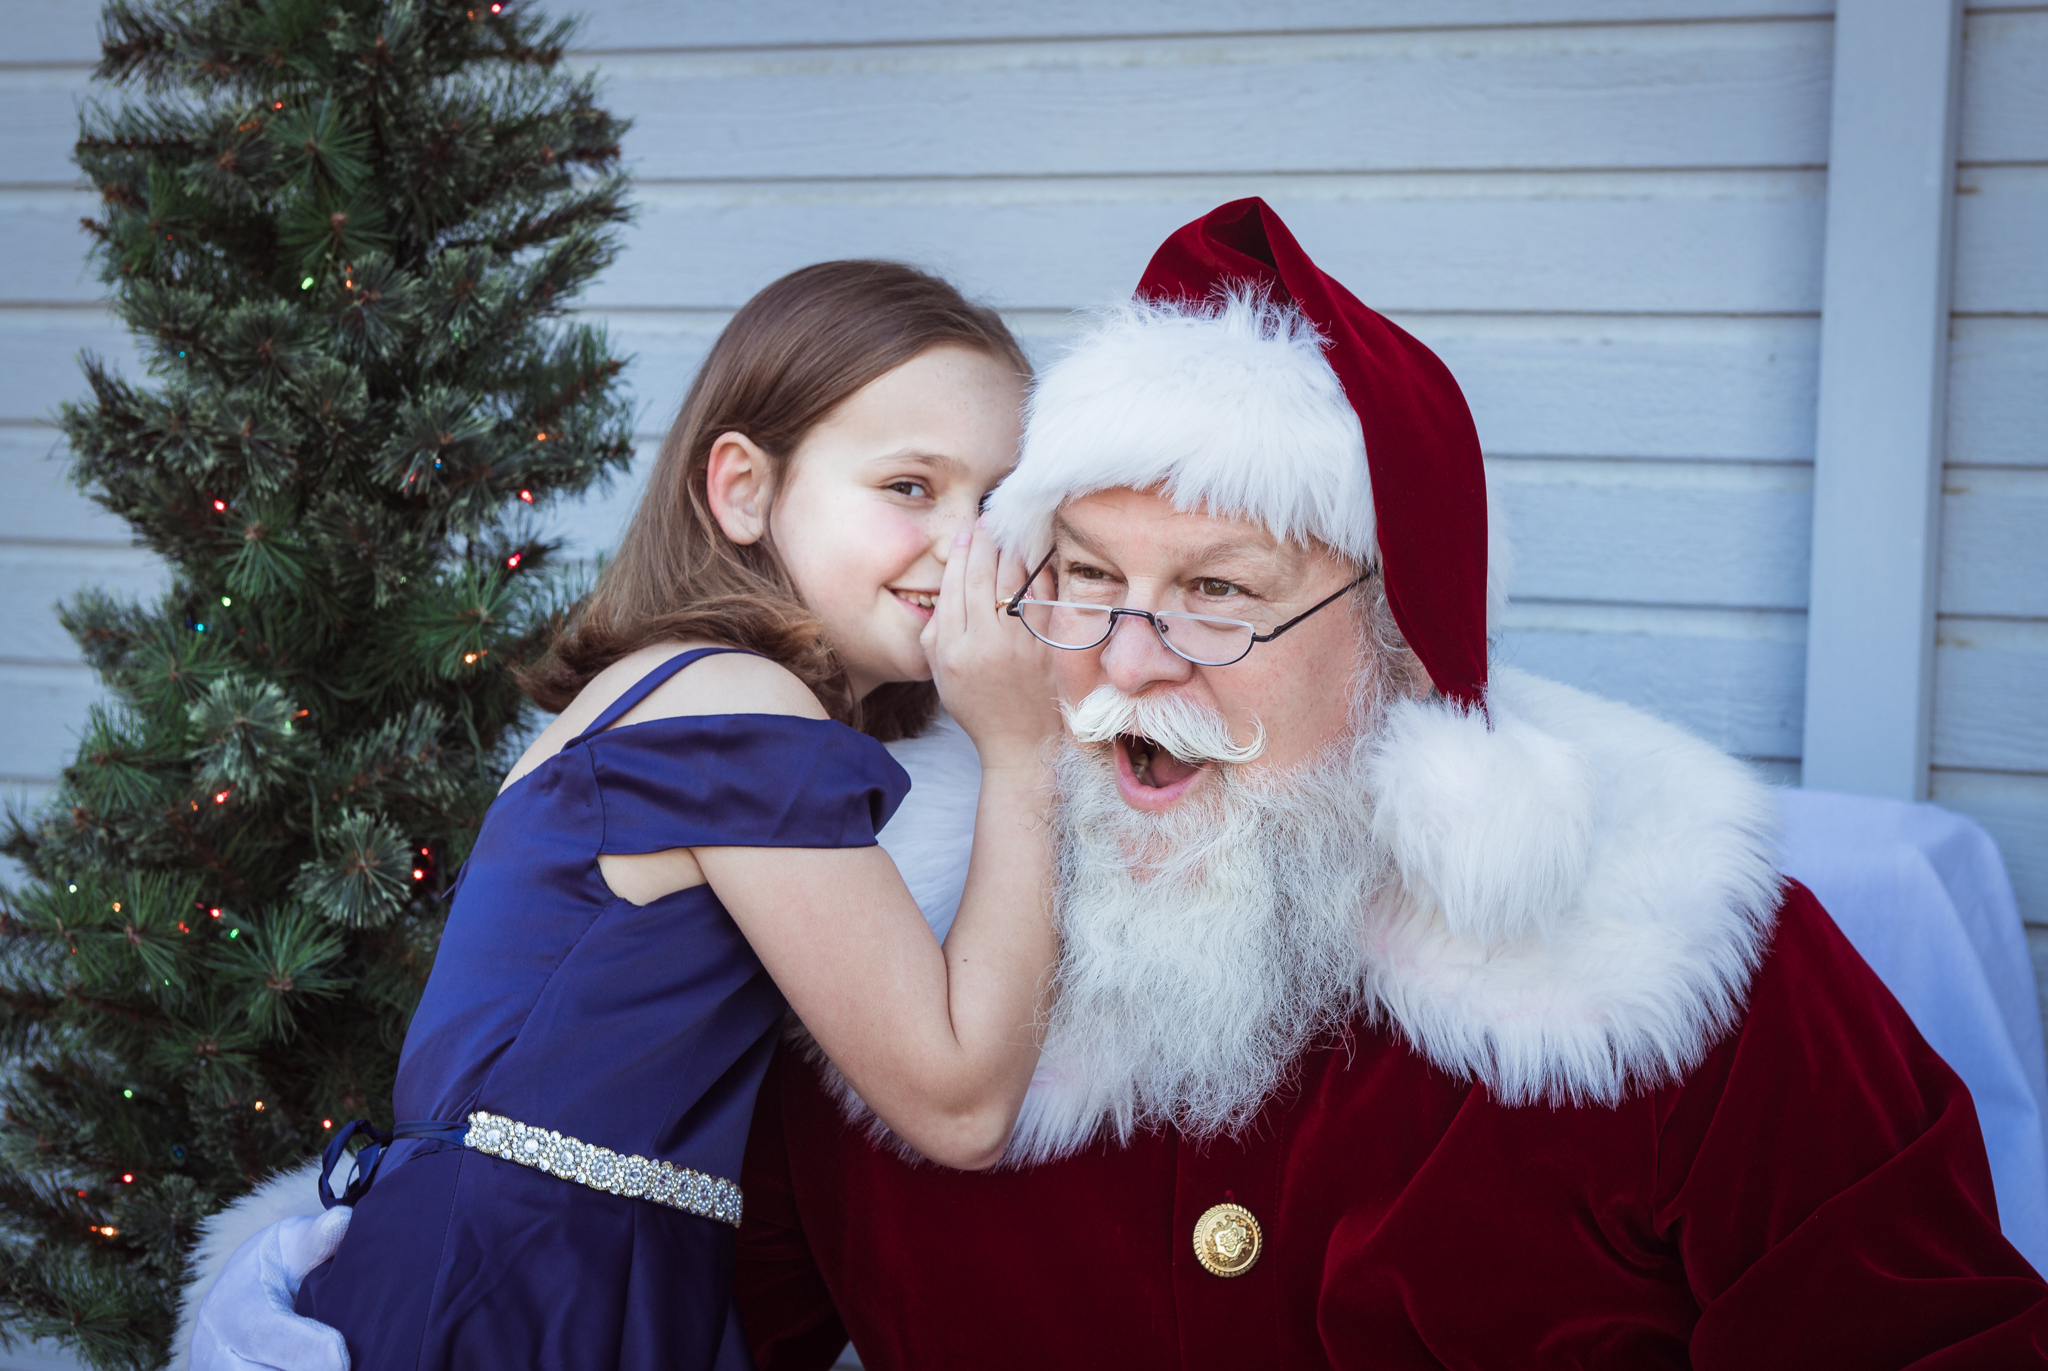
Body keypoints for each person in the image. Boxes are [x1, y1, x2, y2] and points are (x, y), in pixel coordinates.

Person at [188, 201, 2048, 1369]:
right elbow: (665, 1273)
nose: (1127, 663)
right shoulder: (906, 928)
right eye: (1080, 583)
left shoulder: (1677, 966)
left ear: (1400, 640)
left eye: (1220, 599)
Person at [190, 259, 1063, 1371]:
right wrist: (1025, 747)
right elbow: (956, 1105)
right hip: (524, 1282)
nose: (964, 544)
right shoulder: (735, 704)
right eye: (908, 487)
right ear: (743, 489)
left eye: (996, 503)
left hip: (561, 1264)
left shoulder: (696, 695)